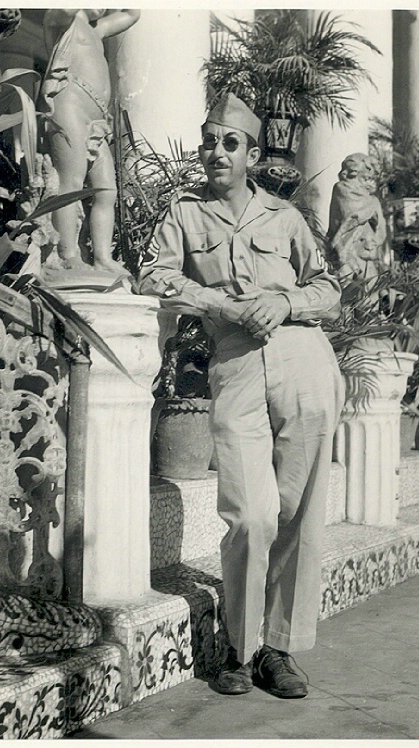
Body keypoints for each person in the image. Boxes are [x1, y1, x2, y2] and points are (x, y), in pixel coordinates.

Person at [137, 94, 345, 699]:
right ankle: (239, 643)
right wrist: (217, 304)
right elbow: (154, 275)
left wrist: (285, 301)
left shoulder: (286, 219)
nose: (216, 152)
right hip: (236, 364)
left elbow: (329, 286)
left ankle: (276, 649)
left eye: (230, 143)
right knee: (250, 511)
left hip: (304, 355)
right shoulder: (185, 216)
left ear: (252, 154)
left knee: (299, 508)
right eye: (209, 141)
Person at [41, 9, 140, 272]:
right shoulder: (59, 20)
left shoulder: (98, 30)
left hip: (97, 115)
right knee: (70, 181)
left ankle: (102, 257)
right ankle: (68, 255)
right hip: (69, 101)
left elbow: (132, 13)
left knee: (107, 190)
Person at [326, 152, 387, 279]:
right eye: (366, 176)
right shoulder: (341, 188)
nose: (369, 179)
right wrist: (371, 204)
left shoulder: (372, 199)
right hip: (345, 248)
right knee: (346, 282)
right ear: (354, 173)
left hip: (365, 248)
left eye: (371, 177)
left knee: (371, 287)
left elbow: (380, 226)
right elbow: (350, 215)